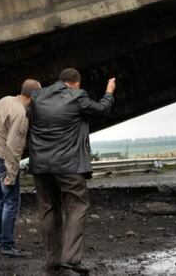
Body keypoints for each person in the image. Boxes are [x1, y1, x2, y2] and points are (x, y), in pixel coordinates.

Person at [28, 68, 116, 274]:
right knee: (77, 206)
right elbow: (102, 109)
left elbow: (28, 118)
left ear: (60, 81)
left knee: (48, 209)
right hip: (68, 164)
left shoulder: (37, 96)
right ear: (76, 82)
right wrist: (109, 91)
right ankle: (72, 258)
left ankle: (52, 260)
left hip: (41, 165)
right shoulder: (78, 96)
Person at [0, 78, 41, 257]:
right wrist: (12, 174)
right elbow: (14, 147)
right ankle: (7, 245)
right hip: (4, 160)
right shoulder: (21, 114)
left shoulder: (5, 100)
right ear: (34, 95)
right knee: (11, 201)